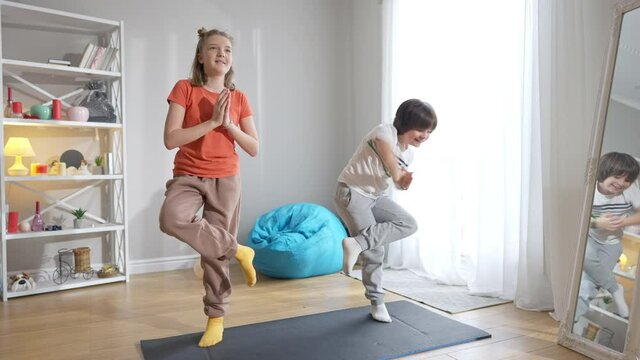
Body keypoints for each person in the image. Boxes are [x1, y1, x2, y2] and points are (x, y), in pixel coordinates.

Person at [159, 28, 259, 347]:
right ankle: (239, 250)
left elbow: (254, 147)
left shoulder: (239, 98)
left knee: (212, 255)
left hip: (226, 177)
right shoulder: (185, 89)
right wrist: (212, 123)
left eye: (227, 49)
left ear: (231, 59)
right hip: (189, 173)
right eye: (213, 48)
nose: (221, 54)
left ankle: (216, 318)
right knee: (171, 218)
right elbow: (170, 139)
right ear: (200, 57)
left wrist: (228, 125)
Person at [333, 99, 437, 323]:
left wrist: (404, 182)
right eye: (421, 129)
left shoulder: (408, 153)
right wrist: (398, 175)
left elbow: (397, 181)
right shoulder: (384, 132)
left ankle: (357, 243)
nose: (425, 135)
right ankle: (377, 303)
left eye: (429, 131)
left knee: (408, 223)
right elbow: (388, 157)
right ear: (405, 123)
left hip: (375, 196)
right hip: (352, 192)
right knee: (376, 251)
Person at [578, 152, 640, 320]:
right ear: (605, 171)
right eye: (618, 176)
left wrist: (623, 222)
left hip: (611, 244)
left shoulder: (631, 191)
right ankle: (614, 288)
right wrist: (598, 223)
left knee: (589, 286)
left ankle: (572, 319)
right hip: (588, 238)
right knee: (585, 255)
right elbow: (575, 217)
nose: (621, 183)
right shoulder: (589, 188)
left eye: (627, 180)